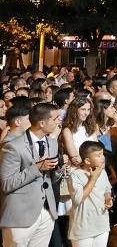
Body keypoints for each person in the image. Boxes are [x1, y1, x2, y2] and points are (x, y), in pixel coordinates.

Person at [0, 103, 65, 247]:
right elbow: (6, 183)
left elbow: (51, 178)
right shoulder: (13, 146)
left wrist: (59, 169)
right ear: (42, 123)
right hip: (20, 214)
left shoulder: (52, 143)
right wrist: (36, 168)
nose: (59, 121)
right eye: (55, 118)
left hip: (47, 212)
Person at [67, 141, 112, 247]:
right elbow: (79, 198)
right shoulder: (76, 175)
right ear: (87, 160)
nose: (103, 158)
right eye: (99, 155)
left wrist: (108, 199)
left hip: (102, 225)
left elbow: (107, 189)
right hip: (83, 229)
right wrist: (93, 178)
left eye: (103, 154)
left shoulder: (103, 172)